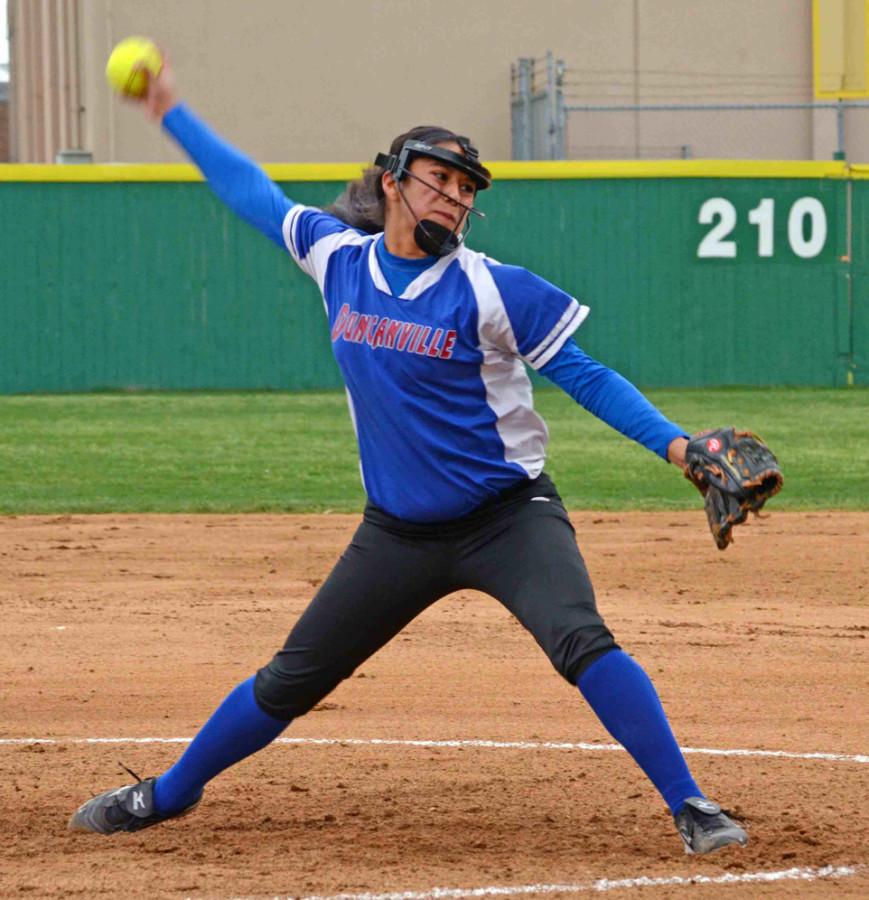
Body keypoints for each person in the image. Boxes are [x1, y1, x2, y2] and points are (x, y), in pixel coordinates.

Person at [69, 54, 748, 856]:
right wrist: (169, 112)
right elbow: (250, 190)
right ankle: (166, 794)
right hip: (396, 533)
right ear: (392, 181)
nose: (454, 199)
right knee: (291, 679)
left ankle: (691, 805)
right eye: (439, 179)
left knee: (581, 639)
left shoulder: (494, 288)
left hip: (508, 519)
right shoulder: (336, 259)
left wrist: (676, 447)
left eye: (466, 191)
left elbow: (585, 374)